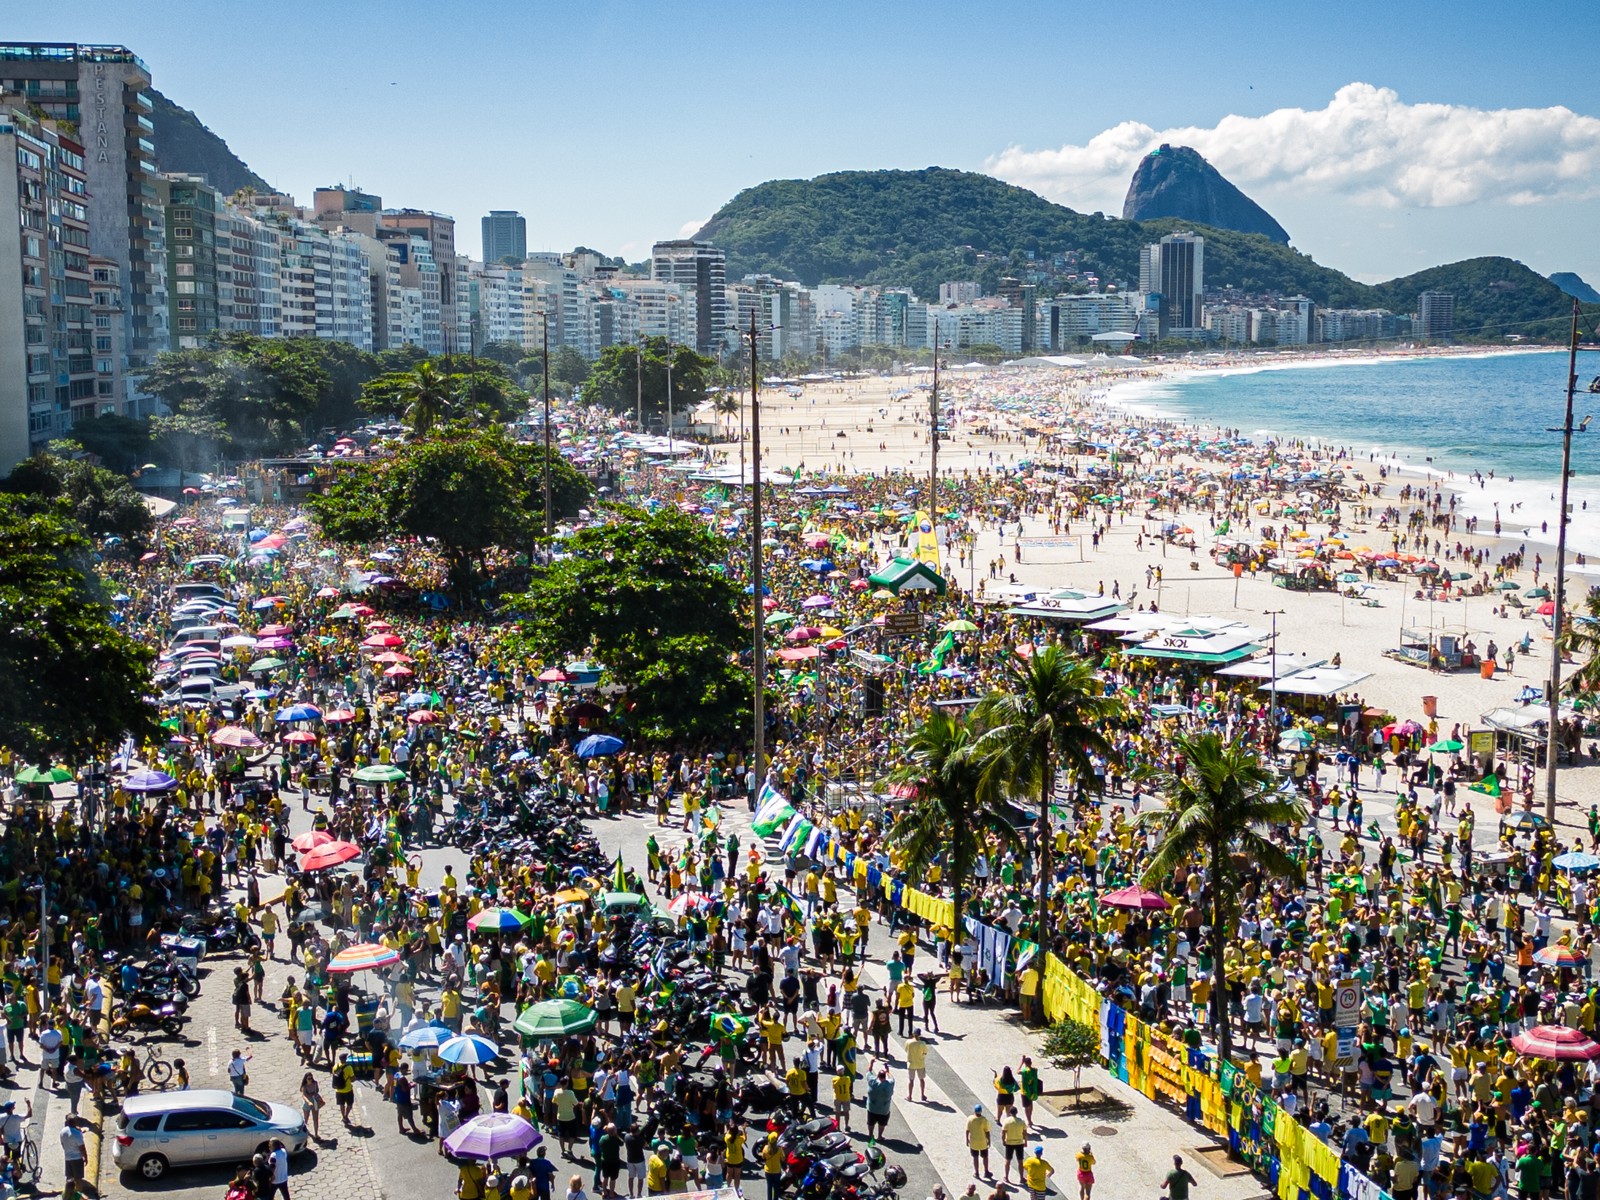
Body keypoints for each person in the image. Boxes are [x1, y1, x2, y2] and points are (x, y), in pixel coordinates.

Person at [967, 1104, 992, 1177]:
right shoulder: (984, 1120)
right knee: (985, 1157)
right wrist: (989, 1140)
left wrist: (967, 1139)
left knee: (975, 1157)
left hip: (973, 1141)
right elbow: (987, 1131)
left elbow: (967, 1130)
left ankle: (976, 1172)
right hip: (982, 1142)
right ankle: (986, 1171)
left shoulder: (970, 1119)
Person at [332, 1052, 356, 1125]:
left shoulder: (335, 1066)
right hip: (347, 1089)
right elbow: (352, 1079)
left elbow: (333, 1075)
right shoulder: (348, 1067)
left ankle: (343, 1117)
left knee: (341, 1104)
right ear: (345, 1059)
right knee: (349, 1104)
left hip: (338, 1089)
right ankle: (346, 1116)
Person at [299, 1072, 324, 1140]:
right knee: (306, 1119)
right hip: (308, 1104)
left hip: (315, 1102)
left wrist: (318, 1099)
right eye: (309, 1078)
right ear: (306, 1079)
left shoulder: (315, 1083)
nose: (310, 1080)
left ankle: (316, 1134)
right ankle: (303, 1132)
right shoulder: (304, 1086)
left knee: (315, 1119)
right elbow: (304, 1095)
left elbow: (317, 1091)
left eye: (311, 1078)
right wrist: (308, 1102)